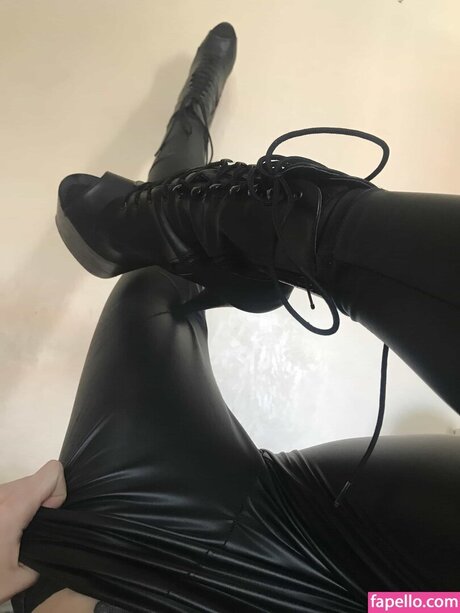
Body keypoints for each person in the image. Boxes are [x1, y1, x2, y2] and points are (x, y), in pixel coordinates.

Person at [2, 21, 460, 613]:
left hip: (115, 560)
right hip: (385, 579)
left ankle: (212, 184)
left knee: (156, 264)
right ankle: (221, 193)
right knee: (165, 247)